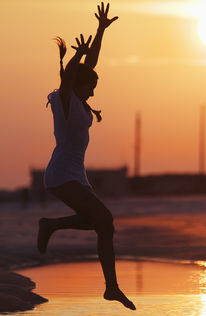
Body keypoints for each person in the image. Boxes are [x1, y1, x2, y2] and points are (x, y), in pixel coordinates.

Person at [37, 2, 136, 311]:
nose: (93, 91)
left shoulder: (78, 101)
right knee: (104, 218)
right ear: (78, 84)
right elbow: (70, 77)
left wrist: (100, 31)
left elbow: (88, 65)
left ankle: (111, 288)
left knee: (103, 225)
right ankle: (50, 226)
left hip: (75, 175)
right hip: (61, 175)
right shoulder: (64, 101)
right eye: (90, 85)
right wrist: (77, 56)